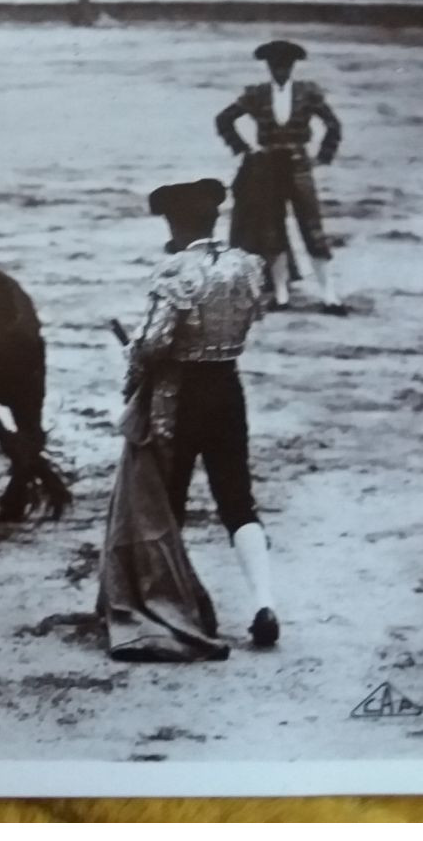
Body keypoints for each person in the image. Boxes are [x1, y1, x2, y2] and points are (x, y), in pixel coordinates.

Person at [96, 178, 280, 661]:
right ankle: (264, 604)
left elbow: (155, 345)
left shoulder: (176, 271)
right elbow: (251, 316)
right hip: (228, 389)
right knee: (237, 501)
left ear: (177, 224)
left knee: (167, 501)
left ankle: (177, 608)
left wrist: (133, 360)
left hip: (179, 398)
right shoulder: (247, 267)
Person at [215, 39, 347, 314]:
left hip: (299, 166)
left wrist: (323, 157)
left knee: (312, 229)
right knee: (272, 232)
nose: (281, 72)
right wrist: (244, 149)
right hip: (268, 169)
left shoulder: (307, 92)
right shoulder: (258, 94)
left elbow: (333, 124)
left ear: (292, 67)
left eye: (285, 67)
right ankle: (282, 295)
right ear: (269, 68)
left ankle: (330, 296)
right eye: (276, 67)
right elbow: (224, 119)